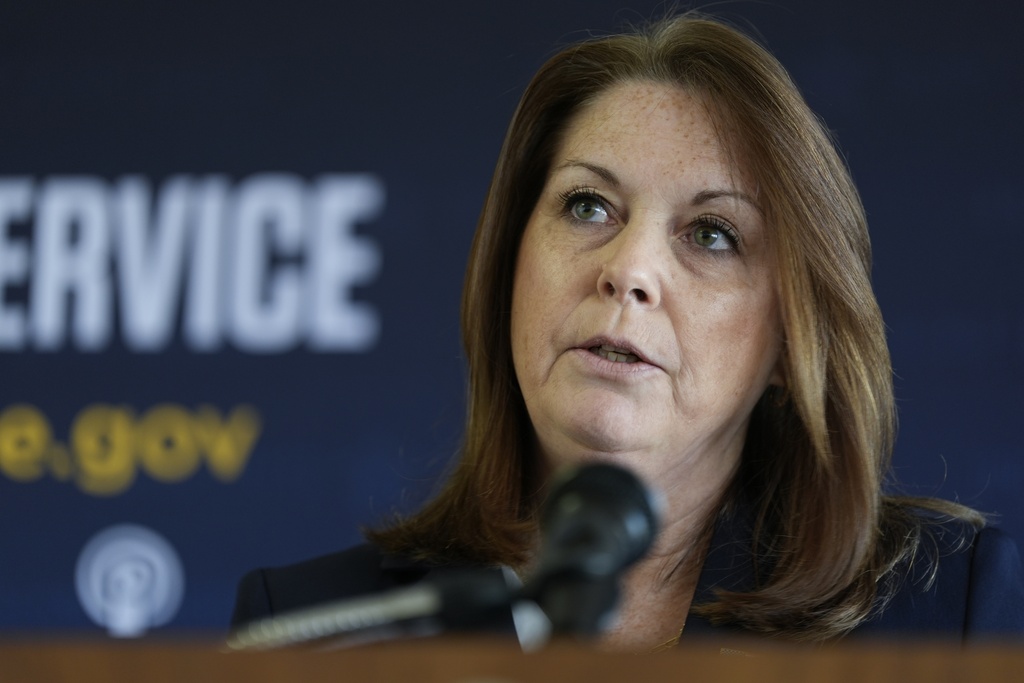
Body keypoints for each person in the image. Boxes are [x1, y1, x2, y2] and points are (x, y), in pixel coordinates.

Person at [231, 12, 1024, 649]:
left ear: (789, 342)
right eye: (588, 206)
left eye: (712, 233)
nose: (630, 269)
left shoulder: (949, 612)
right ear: (511, 262)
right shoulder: (315, 631)